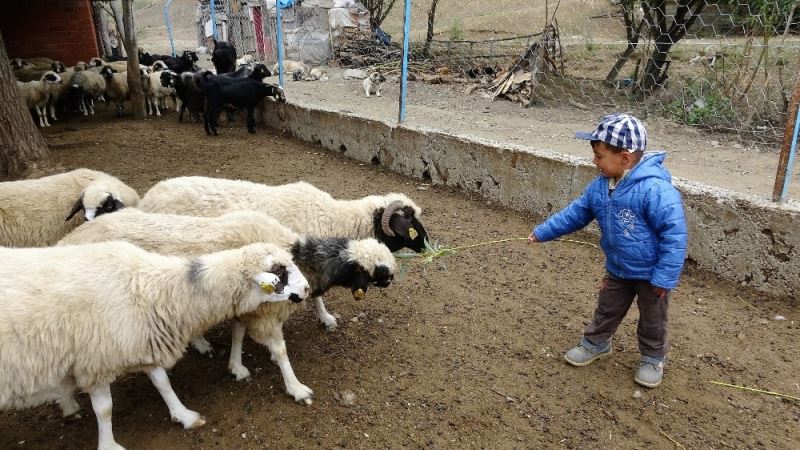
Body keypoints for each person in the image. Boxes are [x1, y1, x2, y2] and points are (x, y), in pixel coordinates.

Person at [527, 113, 687, 388]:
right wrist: (543, 231)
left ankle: (652, 357)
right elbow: (575, 214)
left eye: (599, 156)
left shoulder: (656, 190)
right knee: (607, 308)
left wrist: (664, 278)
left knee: (653, 319)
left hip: (651, 275)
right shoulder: (600, 187)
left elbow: (675, 236)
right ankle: (596, 342)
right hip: (618, 268)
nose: (594, 161)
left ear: (625, 158)